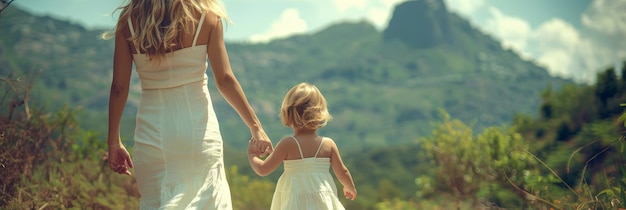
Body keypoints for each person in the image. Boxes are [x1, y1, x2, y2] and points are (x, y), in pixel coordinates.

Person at [103, 0, 273, 209]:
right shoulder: (207, 15)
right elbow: (224, 80)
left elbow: (119, 87)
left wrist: (114, 142)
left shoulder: (129, 20)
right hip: (197, 132)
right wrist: (256, 127)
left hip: (151, 136)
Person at [247, 82, 357, 210]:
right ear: (320, 112)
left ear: (288, 113)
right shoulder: (328, 144)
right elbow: (342, 172)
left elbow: (263, 169)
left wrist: (252, 155)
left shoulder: (287, 144)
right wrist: (350, 187)